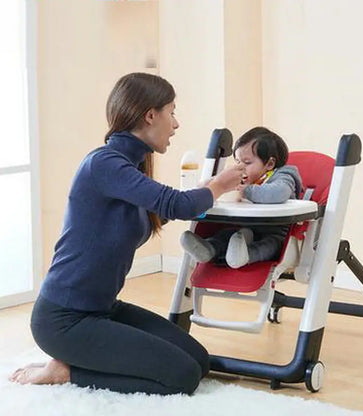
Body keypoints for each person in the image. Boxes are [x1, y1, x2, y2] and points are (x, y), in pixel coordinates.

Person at [8, 72, 245, 395]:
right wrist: (219, 185)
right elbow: (176, 204)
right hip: (64, 320)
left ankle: (80, 361)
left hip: (103, 309)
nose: (176, 124)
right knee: (183, 376)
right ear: (150, 115)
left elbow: (171, 206)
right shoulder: (104, 163)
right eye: (172, 112)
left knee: (198, 360)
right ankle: (67, 372)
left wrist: (208, 192)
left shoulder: (127, 169)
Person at [180, 127, 302, 269]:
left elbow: (279, 193)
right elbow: (218, 182)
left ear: (269, 164)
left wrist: (248, 191)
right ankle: (209, 249)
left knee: (269, 245)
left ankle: (244, 256)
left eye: (247, 162)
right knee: (227, 234)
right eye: (238, 161)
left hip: (277, 234)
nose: (240, 167)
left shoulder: (282, 176)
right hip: (245, 230)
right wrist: (210, 184)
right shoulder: (244, 177)